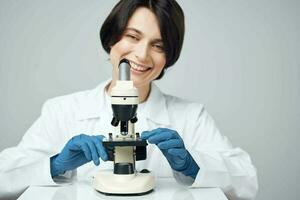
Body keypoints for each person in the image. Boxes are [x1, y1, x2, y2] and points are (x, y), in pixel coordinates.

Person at [0, 0, 258, 199]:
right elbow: (4, 178)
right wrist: (56, 165)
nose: (142, 55)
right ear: (113, 38)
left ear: (169, 56)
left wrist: (192, 166)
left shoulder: (191, 116)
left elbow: (247, 181)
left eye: (158, 46)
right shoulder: (62, 110)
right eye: (133, 37)